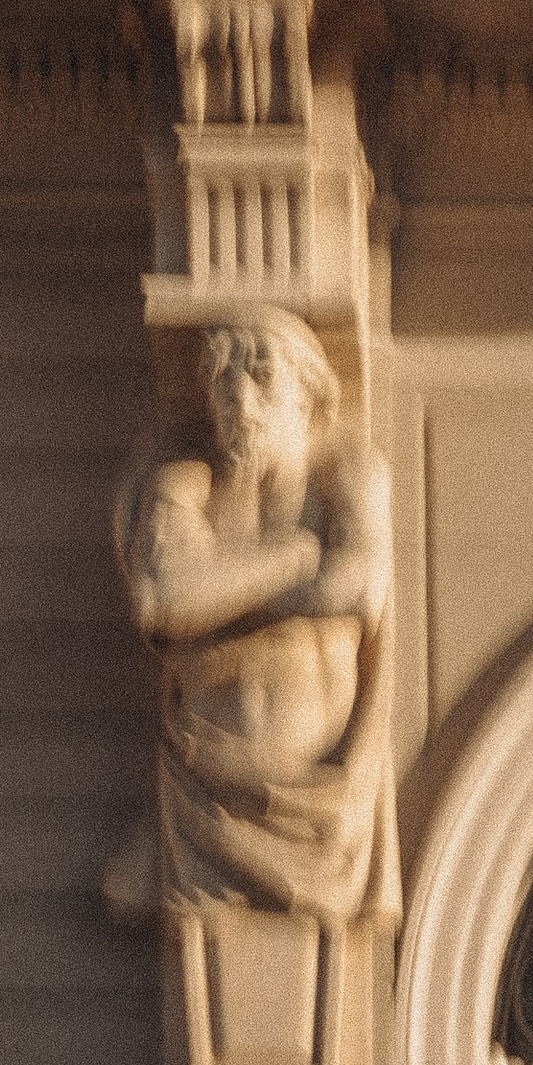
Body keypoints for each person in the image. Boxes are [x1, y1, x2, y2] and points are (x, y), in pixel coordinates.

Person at [111, 307, 397, 926]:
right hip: (203, 791)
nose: (239, 399)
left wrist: (217, 588)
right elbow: (162, 599)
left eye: (262, 377)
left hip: (322, 799)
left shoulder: (345, 473)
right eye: (222, 380)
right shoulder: (186, 484)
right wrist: (297, 555)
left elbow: (353, 586)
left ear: (309, 393)